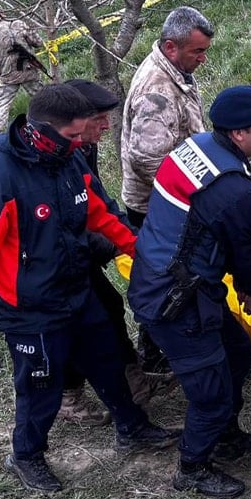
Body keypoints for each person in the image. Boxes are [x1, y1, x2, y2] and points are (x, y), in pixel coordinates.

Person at [0, 84, 180, 494]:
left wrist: (148, 255)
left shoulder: (69, 161)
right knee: (40, 387)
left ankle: (132, 426)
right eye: (73, 136)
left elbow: (103, 215)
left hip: (78, 291)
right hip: (30, 308)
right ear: (41, 131)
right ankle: (26, 454)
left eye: (82, 135)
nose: (82, 142)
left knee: (107, 361)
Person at [127, 86, 251, 499]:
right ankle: (192, 467)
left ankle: (227, 438)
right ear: (238, 134)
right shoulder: (234, 188)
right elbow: (242, 250)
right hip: (176, 299)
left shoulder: (198, 146)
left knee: (238, 354)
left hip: (174, 281)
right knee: (209, 394)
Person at [56, 79, 163, 425]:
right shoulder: (58, 156)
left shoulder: (83, 147)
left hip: (86, 252)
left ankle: (133, 377)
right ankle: (68, 394)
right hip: (61, 265)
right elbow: (67, 223)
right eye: (100, 120)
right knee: (77, 324)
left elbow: (98, 199)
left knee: (111, 307)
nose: (108, 126)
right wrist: (107, 242)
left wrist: (125, 236)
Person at [120, 5, 214, 375]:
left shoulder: (176, 72)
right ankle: (157, 355)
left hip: (174, 200)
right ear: (171, 47)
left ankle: (178, 344)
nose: (203, 59)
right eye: (197, 52)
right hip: (160, 206)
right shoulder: (156, 90)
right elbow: (147, 157)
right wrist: (189, 196)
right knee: (165, 281)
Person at [0, 8, 46, 132]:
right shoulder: (18, 23)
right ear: (2, 13)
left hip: (6, 74)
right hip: (27, 70)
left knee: (2, 103)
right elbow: (38, 42)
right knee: (41, 97)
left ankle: (0, 132)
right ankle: (50, 120)